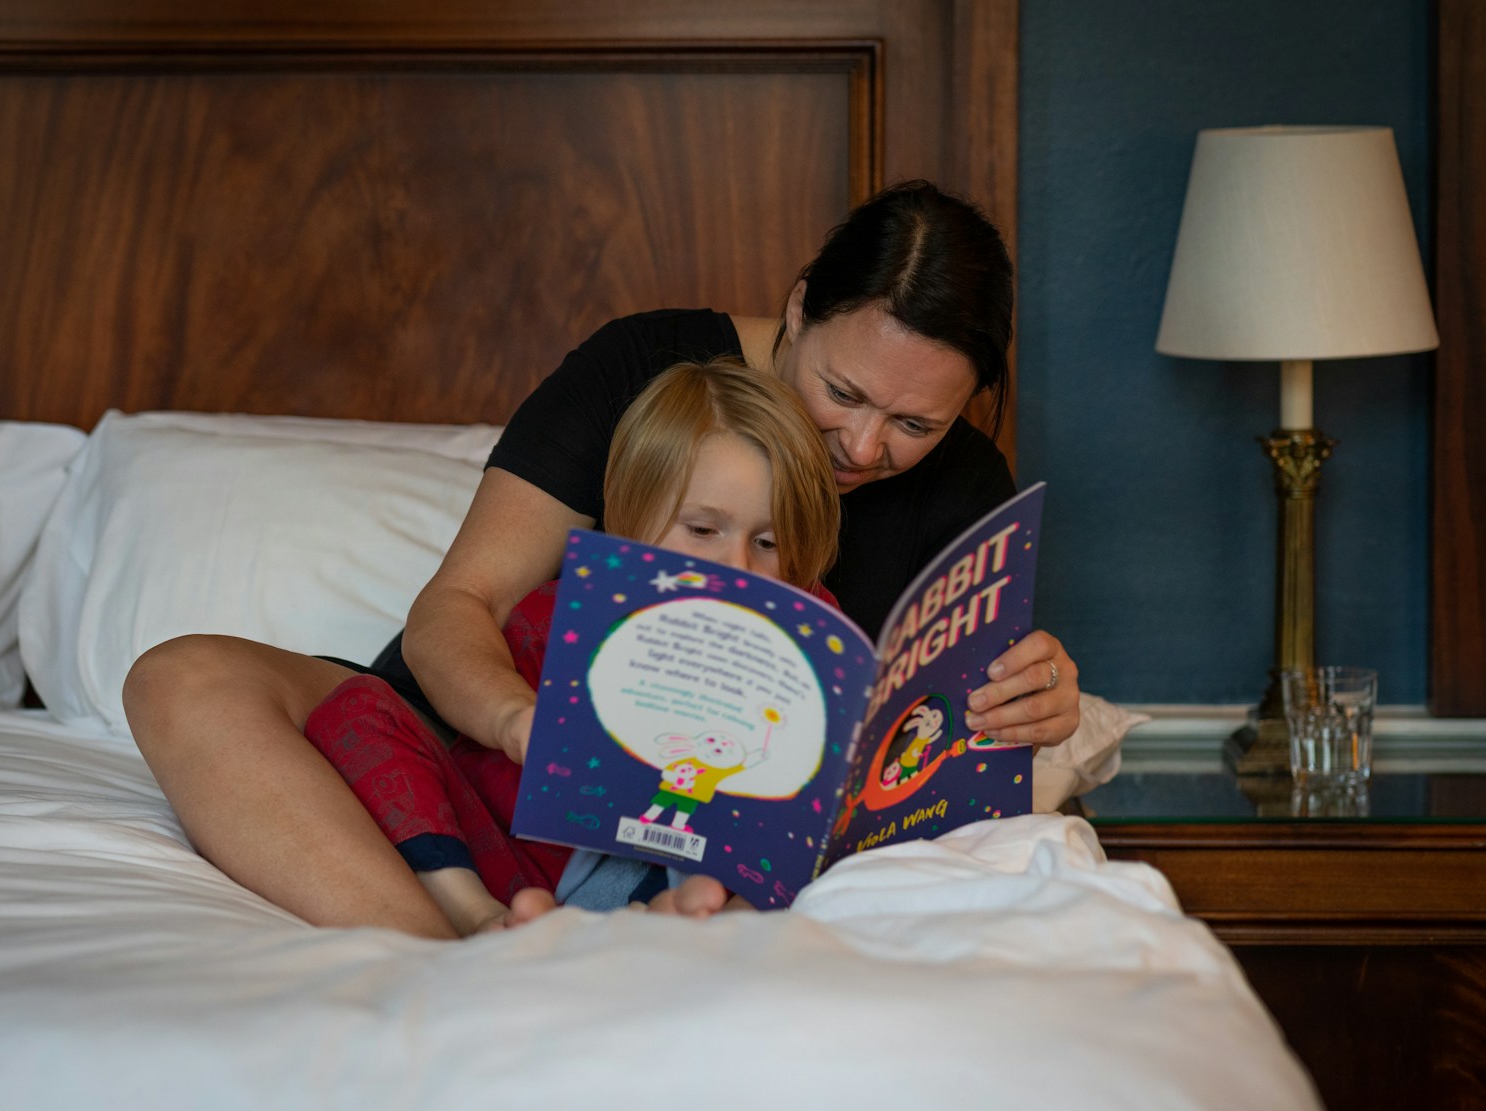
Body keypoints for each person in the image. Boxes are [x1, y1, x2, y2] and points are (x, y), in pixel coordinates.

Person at [124, 179, 1081, 941]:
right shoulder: (643, 369)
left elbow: (934, 728)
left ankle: (571, 944)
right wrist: (516, 721)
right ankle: (450, 957)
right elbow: (458, 603)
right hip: (498, 744)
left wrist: (1034, 698)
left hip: (722, 807)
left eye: (916, 423)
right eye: (843, 392)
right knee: (182, 677)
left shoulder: (962, 486)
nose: (864, 449)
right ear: (798, 309)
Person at [300, 357, 842, 935]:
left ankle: (670, 919)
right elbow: (485, 762)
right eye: (703, 530)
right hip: (527, 866)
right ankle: (476, 914)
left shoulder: (810, 624)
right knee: (355, 708)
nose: (735, 566)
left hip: (696, 861)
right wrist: (523, 724)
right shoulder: (559, 613)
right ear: (631, 514)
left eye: (767, 541)